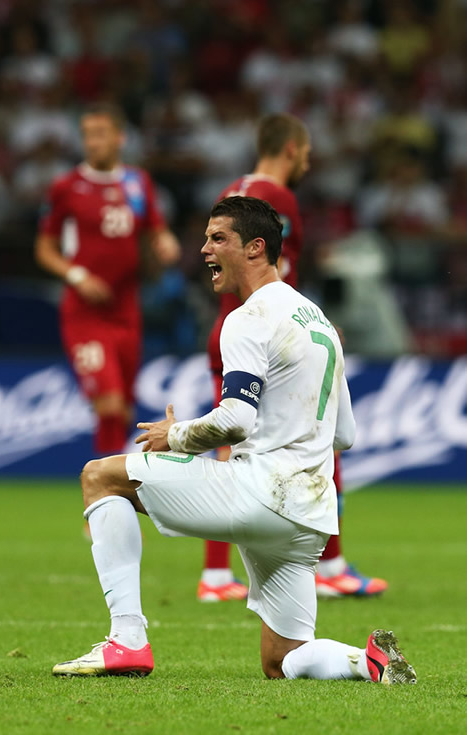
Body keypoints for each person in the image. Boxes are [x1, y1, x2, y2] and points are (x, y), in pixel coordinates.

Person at [52, 196, 416, 685]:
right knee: (282, 660)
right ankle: (365, 661)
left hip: (260, 493)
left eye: (218, 238)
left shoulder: (246, 318)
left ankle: (127, 641)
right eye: (205, 237)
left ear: (255, 248)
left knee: (101, 477)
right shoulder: (320, 322)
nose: (204, 249)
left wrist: (174, 435)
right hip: (310, 515)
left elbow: (236, 420)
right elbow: (344, 434)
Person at [199, 112, 387, 602]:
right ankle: (330, 564)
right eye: (306, 154)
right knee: (319, 435)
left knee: (233, 440)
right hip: (269, 334)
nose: (308, 162)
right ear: (290, 151)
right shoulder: (277, 199)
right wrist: (310, 323)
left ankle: (216, 574)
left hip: (234, 330)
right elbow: (275, 273)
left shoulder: (234, 189)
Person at [35, 103, 180, 456]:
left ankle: (114, 489)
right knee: (109, 403)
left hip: (127, 310)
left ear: (120, 138)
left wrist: (166, 243)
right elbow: (44, 248)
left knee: (124, 408)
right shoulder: (67, 187)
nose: (92, 143)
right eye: (87, 135)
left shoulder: (137, 182)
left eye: (100, 134)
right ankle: (105, 490)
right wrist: (77, 274)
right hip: (84, 313)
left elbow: (156, 231)